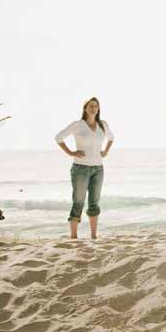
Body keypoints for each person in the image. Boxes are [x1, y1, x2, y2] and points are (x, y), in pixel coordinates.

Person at [55, 97, 114, 239]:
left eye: (96, 106)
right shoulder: (78, 125)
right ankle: (74, 237)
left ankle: (94, 236)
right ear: (85, 108)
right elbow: (59, 137)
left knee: (94, 203)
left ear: (98, 109)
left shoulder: (103, 125)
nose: (93, 108)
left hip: (98, 169)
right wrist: (71, 153)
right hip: (80, 169)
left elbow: (111, 138)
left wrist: (106, 151)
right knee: (78, 202)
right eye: (90, 106)